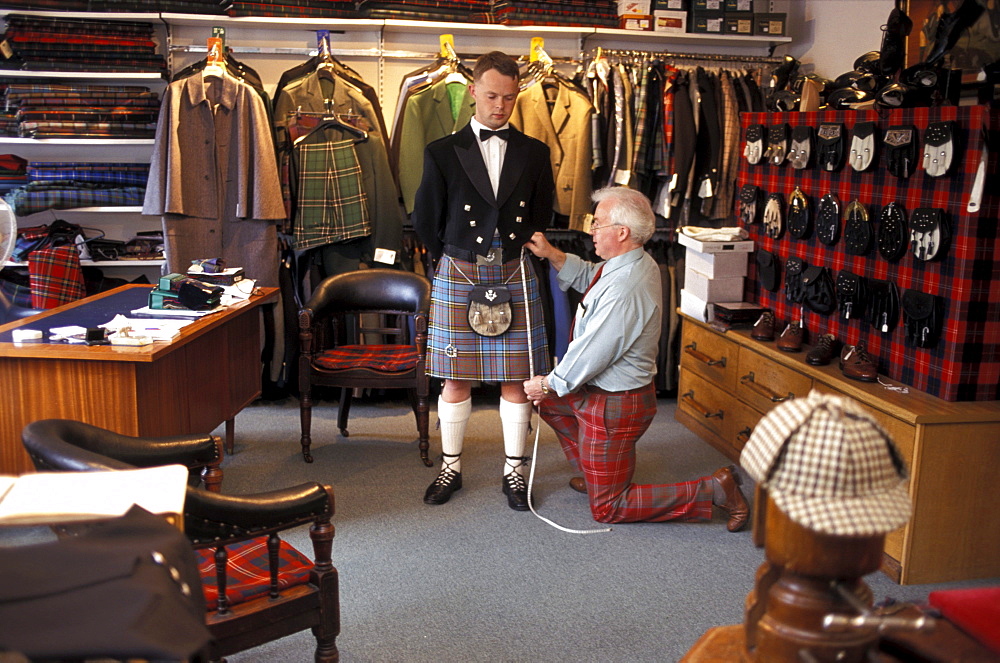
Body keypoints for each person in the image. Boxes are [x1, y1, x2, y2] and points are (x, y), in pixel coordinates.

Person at [522, 186, 749, 529]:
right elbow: (590, 277)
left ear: (622, 232)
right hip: (607, 395)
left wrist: (548, 383)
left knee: (608, 509)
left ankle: (715, 490)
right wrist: (552, 253)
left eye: (597, 224)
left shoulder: (625, 286)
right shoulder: (629, 262)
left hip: (614, 406)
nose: (591, 231)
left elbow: (592, 352)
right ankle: (596, 470)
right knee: (552, 404)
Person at [412, 51, 555, 511]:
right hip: (459, 269)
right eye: (492, 95)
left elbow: (542, 212)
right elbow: (425, 219)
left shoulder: (535, 153)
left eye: (509, 98)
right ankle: (450, 468)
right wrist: (452, 260)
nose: (500, 106)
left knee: (516, 380)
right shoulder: (441, 152)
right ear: (472, 91)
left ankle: (514, 473)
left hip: (513, 268)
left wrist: (510, 251)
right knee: (455, 379)